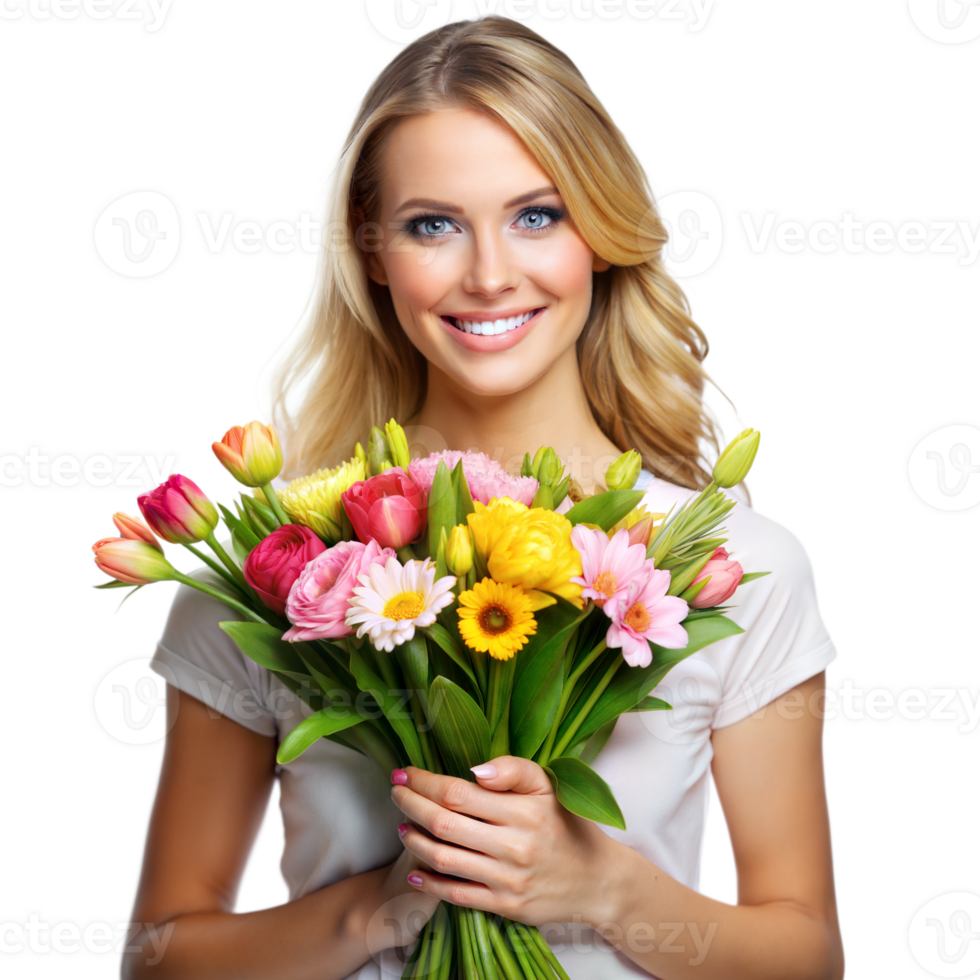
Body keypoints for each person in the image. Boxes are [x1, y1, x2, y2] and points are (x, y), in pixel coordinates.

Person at [123, 13, 845, 980]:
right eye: (433, 225)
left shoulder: (734, 567)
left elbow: (806, 956)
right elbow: (162, 956)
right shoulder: (281, 567)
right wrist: (379, 911)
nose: (492, 274)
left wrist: (602, 888)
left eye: (537, 215)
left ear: (600, 232)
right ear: (372, 248)